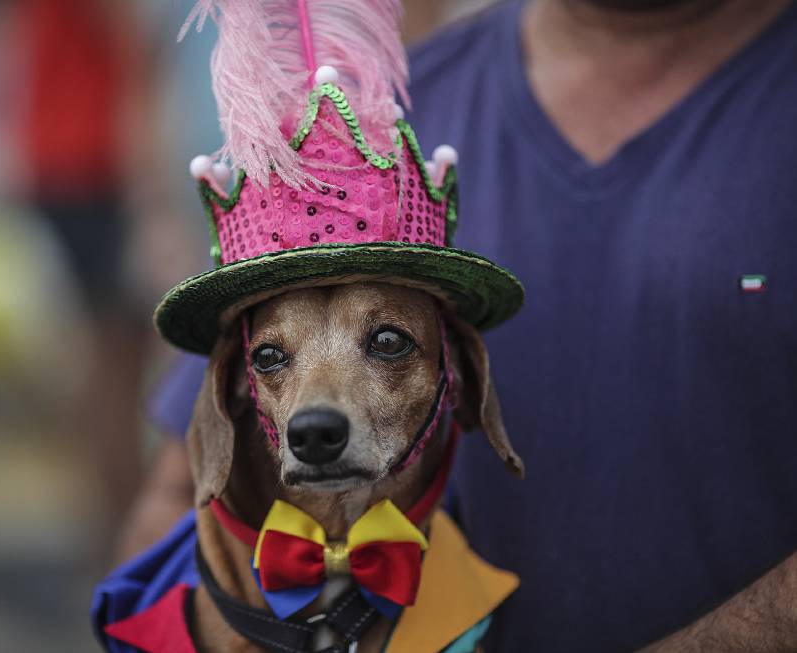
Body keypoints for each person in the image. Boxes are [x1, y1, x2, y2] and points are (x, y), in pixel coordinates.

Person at [131, 0, 797, 650]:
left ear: (466, 372)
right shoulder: (375, 109)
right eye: (275, 358)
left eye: (388, 340)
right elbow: (180, 488)